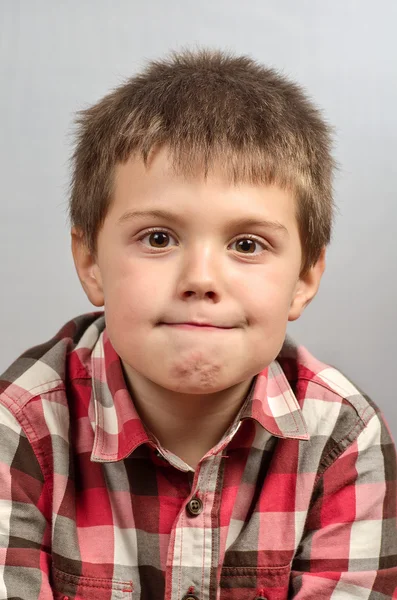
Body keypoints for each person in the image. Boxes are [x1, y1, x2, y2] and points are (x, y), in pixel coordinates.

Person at [0, 49, 396, 600]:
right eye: (159, 238)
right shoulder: (19, 430)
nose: (201, 279)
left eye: (247, 244)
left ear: (304, 278)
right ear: (91, 262)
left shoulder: (343, 439)